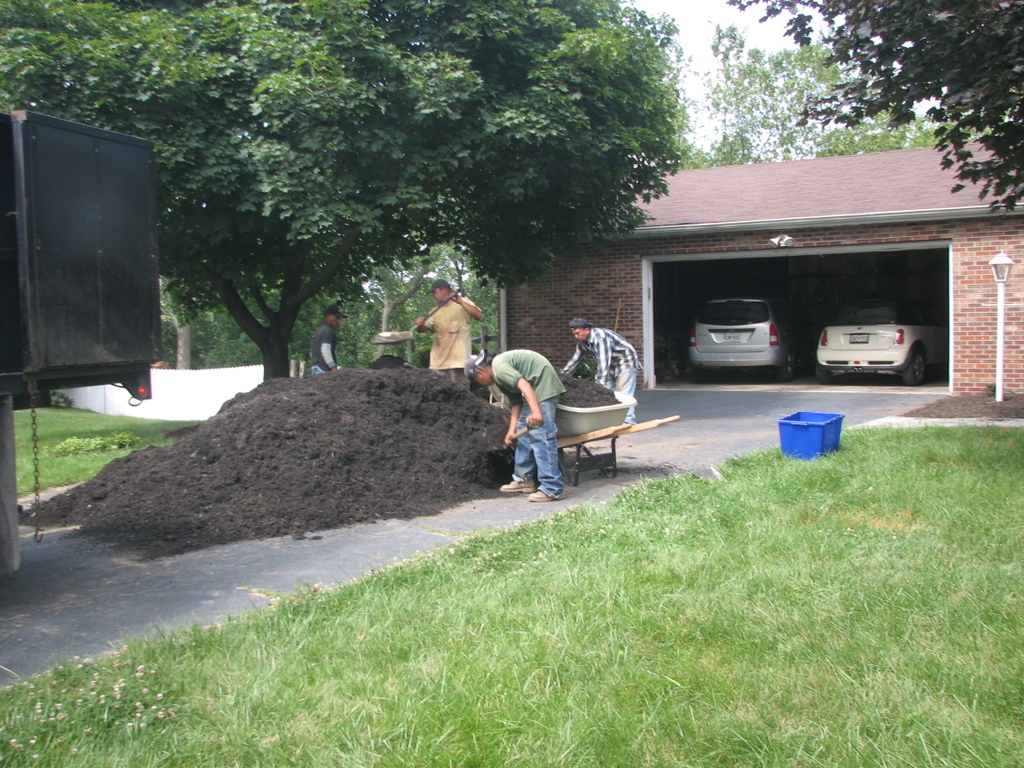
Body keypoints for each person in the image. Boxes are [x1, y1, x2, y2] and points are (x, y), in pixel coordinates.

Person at [465, 349, 566, 502]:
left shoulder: (499, 368)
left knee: (541, 436)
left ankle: (552, 488)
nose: (482, 386)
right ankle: (523, 479)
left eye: (478, 383)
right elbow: (516, 402)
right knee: (523, 433)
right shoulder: (499, 378)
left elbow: (524, 384)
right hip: (533, 388)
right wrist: (511, 431)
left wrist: (536, 412)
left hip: (543, 385)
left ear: (480, 374)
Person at [560, 318, 642, 424]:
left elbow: (604, 362)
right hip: (611, 365)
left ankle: (628, 422)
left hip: (625, 363)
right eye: (574, 334)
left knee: (624, 394)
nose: (576, 337)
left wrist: (598, 386)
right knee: (608, 394)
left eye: (578, 333)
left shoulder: (601, 338)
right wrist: (562, 376)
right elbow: (575, 361)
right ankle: (611, 421)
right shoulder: (582, 343)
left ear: (587, 330)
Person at [415, 279, 483, 388]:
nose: (433, 296)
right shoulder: (435, 311)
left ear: (443, 290)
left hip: (459, 363)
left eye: (434, 292)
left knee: (460, 397)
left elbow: (478, 315)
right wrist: (419, 324)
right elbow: (422, 329)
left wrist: (460, 302)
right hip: (438, 364)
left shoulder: (463, 303)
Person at [310, 305, 346, 374]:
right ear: (328, 316)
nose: (338, 321)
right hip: (323, 370)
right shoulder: (328, 331)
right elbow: (325, 350)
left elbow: (312, 353)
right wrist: (333, 367)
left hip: (315, 368)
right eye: (337, 317)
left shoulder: (319, 330)